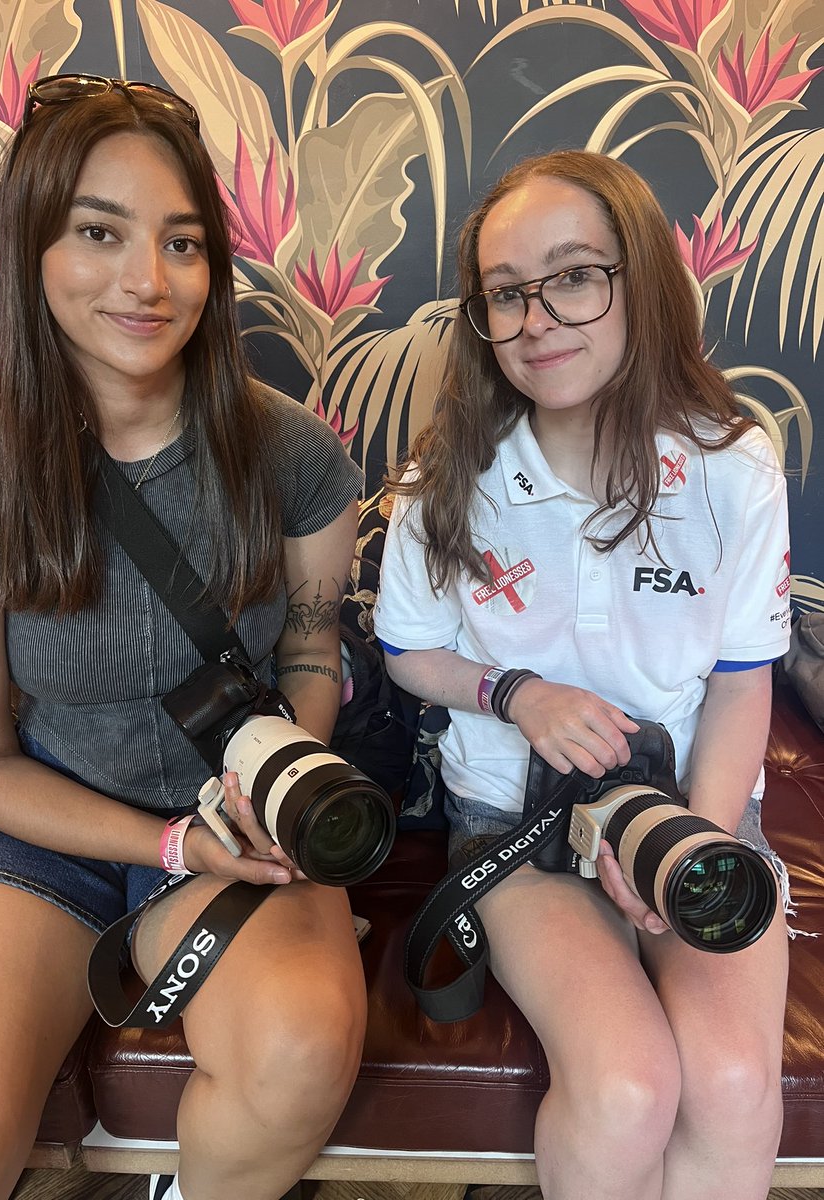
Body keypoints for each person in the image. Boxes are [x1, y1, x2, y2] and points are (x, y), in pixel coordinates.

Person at [0, 76, 366, 1200]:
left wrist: (273, 788)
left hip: (239, 812)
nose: (147, 281)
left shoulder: (297, 457)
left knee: (302, 1048)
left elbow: (313, 657)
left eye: (181, 241)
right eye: (99, 233)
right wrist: (164, 847)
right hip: (44, 829)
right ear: (31, 250)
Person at [374, 150, 791, 1200]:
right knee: (627, 1088)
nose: (536, 318)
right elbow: (407, 652)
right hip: (518, 824)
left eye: (572, 275)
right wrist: (517, 692)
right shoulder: (446, 484)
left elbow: (744, 679)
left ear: (638, 277)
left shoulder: (734, 466)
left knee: (735, 1081)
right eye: (505, 293)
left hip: (688, 809)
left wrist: (690, 837)